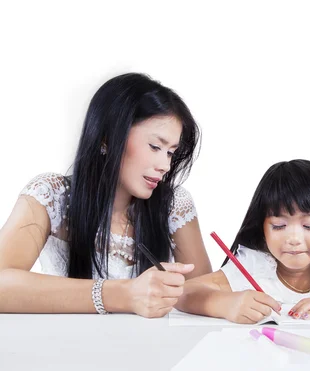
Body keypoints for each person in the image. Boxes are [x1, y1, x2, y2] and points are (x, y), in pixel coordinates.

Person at [0, 73, 212, 318]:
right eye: (155, 147)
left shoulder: (174, 205)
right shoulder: (51, 195)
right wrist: (123, 295)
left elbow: (202, 292)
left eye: (170, 153)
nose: (165, 165)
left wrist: (230, 301)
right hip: (65, 348)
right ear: (107, 139)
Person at [176, 159, 310, 324]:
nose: (294, 239)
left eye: (309, 226)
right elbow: (184, 292)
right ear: (262, 228)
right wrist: (226, 304)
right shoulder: (254, 265)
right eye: (279, 226)